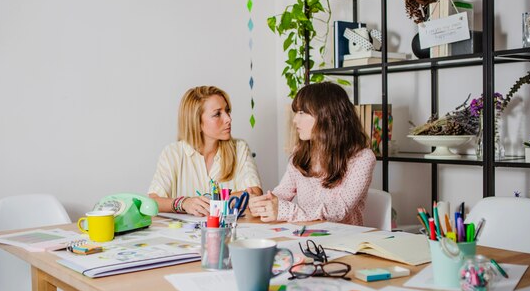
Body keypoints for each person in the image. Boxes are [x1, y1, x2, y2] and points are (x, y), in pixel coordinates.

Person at [249, 81, 375, 225]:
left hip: (343, 241)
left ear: (327, 116)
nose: (295, 120)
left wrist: (284, 211)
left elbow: (340, 209)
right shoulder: (300, 153)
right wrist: (263, 203)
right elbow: (282, 193)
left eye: (302, 113)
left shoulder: (363, 158)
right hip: (306, 236)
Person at [148, 86, 262, 216]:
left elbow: (254, 193)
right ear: (196, 122)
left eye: (227, 111)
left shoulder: (240, 149)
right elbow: (153, 201)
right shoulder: (172, 153)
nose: (228, 119)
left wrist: (212, 202)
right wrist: (184, 203)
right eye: (217, 114)